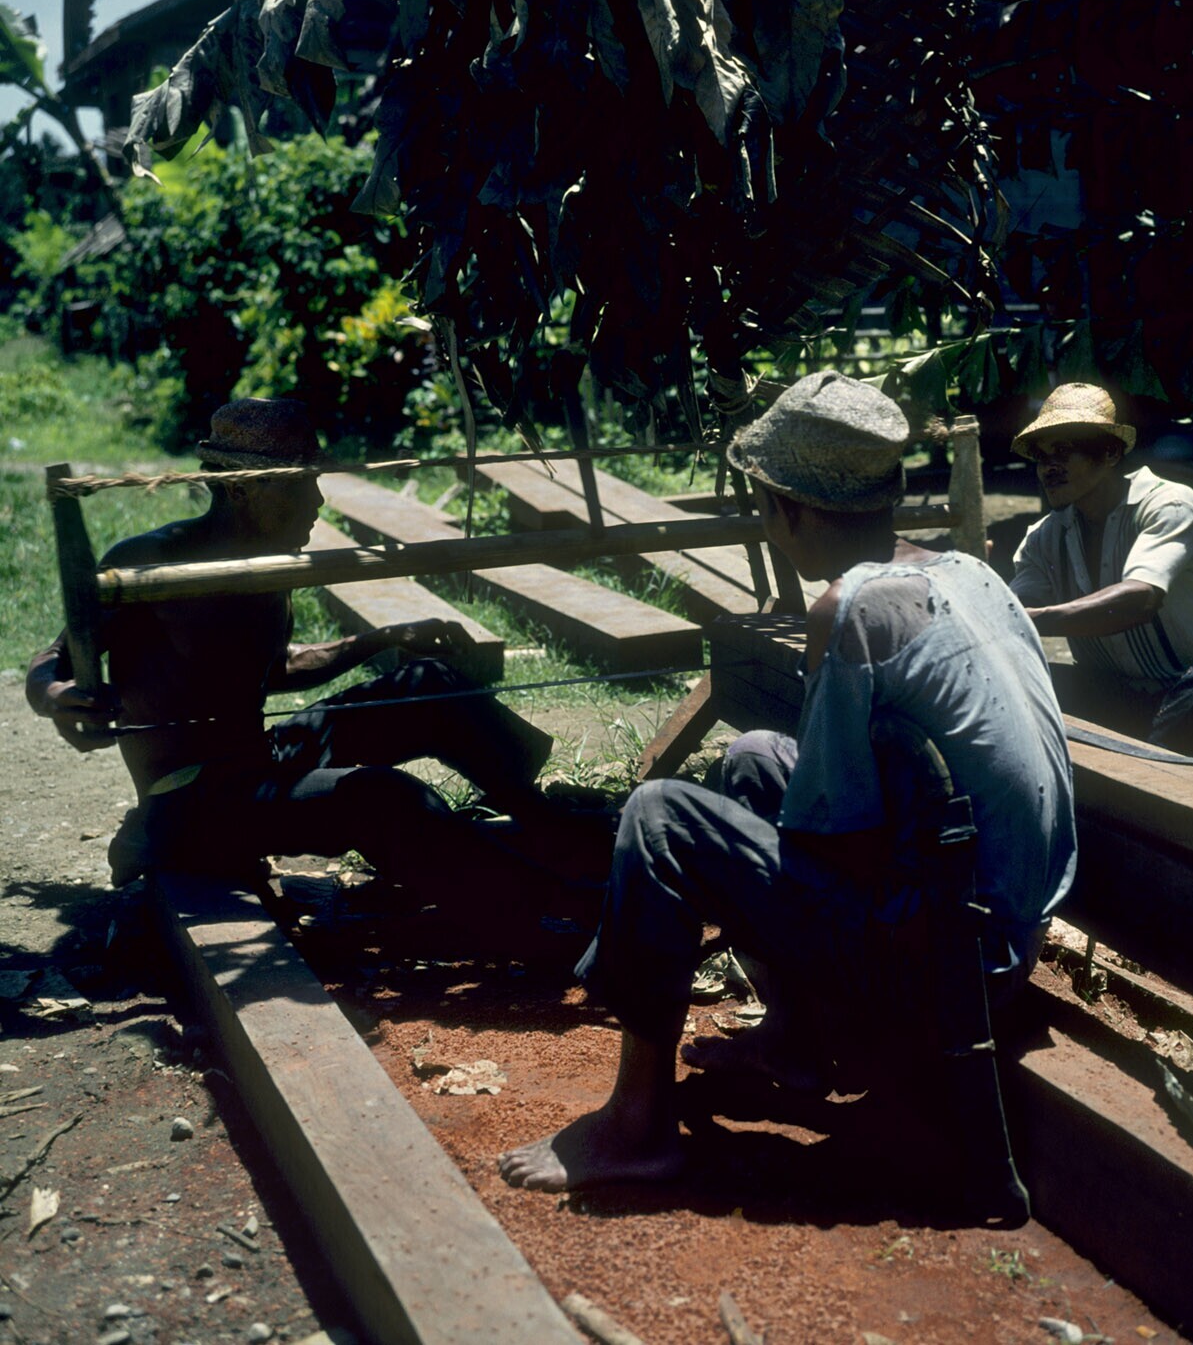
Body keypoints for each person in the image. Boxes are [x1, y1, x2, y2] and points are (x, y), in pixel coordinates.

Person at [499, 370, 1076, 1194]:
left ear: (787, 510)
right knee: (755, 756)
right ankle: (793, 1042)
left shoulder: (851, 609)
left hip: (955, 967)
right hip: (1008, 933)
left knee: (661, 817)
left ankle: (636, 1128)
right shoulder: (969, 573)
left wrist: (717, 882)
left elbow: (830, 841)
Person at [26, 397, 568, 897]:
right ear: (240, 488)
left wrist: (385, 639)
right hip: (193, 801)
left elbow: (274, 666)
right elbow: (52, 661)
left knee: (430, 686)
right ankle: (541, 900)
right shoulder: (151, 561)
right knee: (382, 797)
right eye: (299, 484)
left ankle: (541, 818)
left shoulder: (269, 561)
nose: (317, 500)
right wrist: (56, 697)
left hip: (259, 761)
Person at [1007, 382, 1193, 757]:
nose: (1049, 468)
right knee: (1024, 681)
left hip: (1189, 695)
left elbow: (1140, 599)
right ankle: (1133, 766)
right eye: (1041, 458)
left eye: (1063, 451)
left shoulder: (1168, 504)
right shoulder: (1043, 538)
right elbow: (1015, 607)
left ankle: (1141, 772)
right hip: (1115, 698)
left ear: (1109, 453)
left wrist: (1031, 619)